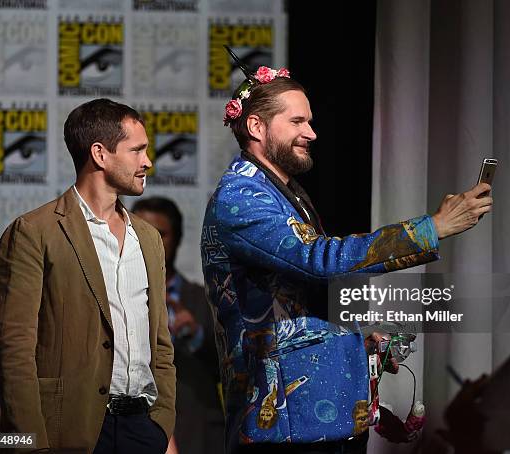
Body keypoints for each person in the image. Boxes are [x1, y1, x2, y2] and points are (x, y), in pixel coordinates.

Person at [200, 55, 493, 454]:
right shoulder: (242, 197)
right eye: (298, 122)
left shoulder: (283, 192)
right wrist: (432, 228)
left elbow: (299, 297)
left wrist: (354, 341)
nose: (312, 133)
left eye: (310, 121)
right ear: (256, 126)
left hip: (316, 415)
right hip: (283, 423)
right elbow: (317, 259)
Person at [0, 98, 176, 453]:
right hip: (67, 433)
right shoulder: (33, 231)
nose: (147, 161)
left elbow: (161, 345)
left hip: (143, 430)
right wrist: (32, 444)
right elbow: (12, 349)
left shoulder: (149, 238)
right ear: (100, 154)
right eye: (137, 150)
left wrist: (161, 421)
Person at [133, 197, 225, 453]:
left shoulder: (204, 299)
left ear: (178, 239)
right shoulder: (108, 297)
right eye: (138, 230)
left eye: (159, 233)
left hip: (195, 433)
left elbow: (229, 368)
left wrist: (195, 335)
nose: (148, 240)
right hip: (131, 431)